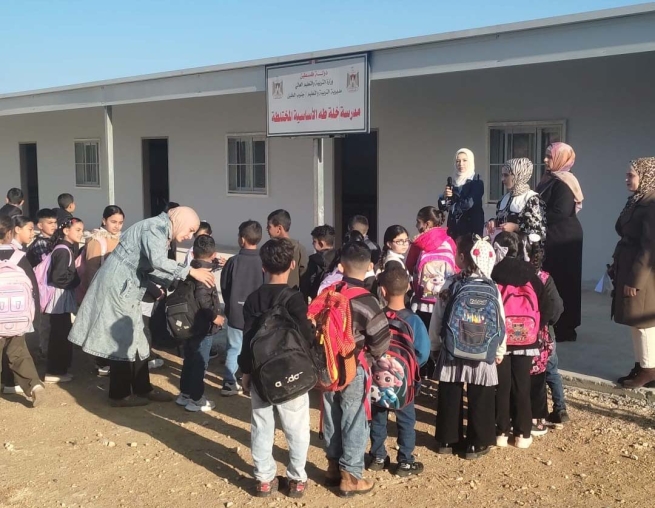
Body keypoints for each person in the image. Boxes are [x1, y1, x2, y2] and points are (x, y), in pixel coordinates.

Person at [68, 206, 215, 407]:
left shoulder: (160, 230)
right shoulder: (154, 228)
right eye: (190, 230)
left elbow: (150, 267)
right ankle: (119, 395)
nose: (189, 236)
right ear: (179, 220)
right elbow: (158, 261)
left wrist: (175, 282)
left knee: (139, 338)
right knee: (122, 338)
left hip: (129, 287)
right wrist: (189, 272)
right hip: (119, 288)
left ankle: (142, 388)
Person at [239, 238, 314, 499]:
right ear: (292, 264)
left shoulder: (253, 299)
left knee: (261, 425)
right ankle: (297, 479)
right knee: (296, 426)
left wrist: (245, 372)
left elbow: (248, 340)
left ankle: (264, 479)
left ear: (263, 266)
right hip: (292, 371)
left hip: (260, 372)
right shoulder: (295, 299)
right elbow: (307, 336)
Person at [320, 241, 390, 497]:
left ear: (341, 266)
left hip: (327, 364)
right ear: (370, 266)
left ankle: (332, 467)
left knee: (331, 414)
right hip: (353, 364)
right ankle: (350, 476)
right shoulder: (367, 300)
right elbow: (381, 340)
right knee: (353, 418)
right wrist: (371, 357)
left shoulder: (329, 292)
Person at [430, 235, 505, 460]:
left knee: (450, 392)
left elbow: (438, 317)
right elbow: (501, 321)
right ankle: (476, 443)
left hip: (453, 347)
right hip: (483, 349)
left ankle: (447, 440)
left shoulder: (450, 283)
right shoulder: (491, 286)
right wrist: (499, 350)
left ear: (462, 257)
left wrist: (435, 345)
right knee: (480, 393)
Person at [491, 232, 554, 449]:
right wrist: (534, 328)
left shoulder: (494, 274)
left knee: (502, 386)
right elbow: (547, 308)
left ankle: (501, 432)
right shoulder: (531, 275)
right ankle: (523, 433)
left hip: (502, 339)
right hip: (527, 340)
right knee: (522, 386)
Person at [368, 265, 429, 475]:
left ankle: (377, 457)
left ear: (382, 290)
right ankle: (405, 461)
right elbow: (423, 353)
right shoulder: (414, 320)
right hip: (405, 382)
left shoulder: (377, 318)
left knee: (378, 418)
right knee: (406, 421)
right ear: (409, 287)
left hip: (377, 381)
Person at [610, 157, 655, 388]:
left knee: (643, 321)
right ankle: (641, 365)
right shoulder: (637, 200)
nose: (627, 179)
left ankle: (649, 369)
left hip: (643, 274)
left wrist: (635, 280)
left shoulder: (651, 204)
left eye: (631, 175)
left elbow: (649, 247)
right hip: (628, 265)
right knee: (634, 320)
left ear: (646, 176)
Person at [537, 143, 584, 342]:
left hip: (564, 239)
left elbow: (560, 212)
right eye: (546, 156)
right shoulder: (549, 179)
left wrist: (533, 217)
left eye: (550, 156)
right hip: (552, 236)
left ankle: (566, 327)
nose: (545, 160)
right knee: (550, 280)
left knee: (565, 282)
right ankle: (552, 322)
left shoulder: (565, 183)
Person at [406, 207, 457, 379]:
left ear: (427, 224)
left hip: (422, 301)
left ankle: (424, 370)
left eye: (418, 222)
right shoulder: (449, 240)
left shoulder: (419, 243)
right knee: (442, 334)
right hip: (444, 300)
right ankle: (442, 371)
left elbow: (409, 265)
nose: (416, 226)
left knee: (423, 337)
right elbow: (456, 268)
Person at [176, 235, 225, 412]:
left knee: (189, 360)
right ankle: (196, 399)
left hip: (189, 323)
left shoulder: (191, 269)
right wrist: (215, 317)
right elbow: (203, 300)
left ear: (193, 253)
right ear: (213, 254)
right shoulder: (205, 277)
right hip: (202, 327)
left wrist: (217, 263)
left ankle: (185, 394)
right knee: (200, 363)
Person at [0, 215, 45, 407]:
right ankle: (34, 386)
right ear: (11, 232)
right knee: (19, 353)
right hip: (17, 316)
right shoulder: (19, 257)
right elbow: (33, 289)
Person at [524, 240, 564, 435]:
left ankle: (528, 414)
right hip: (546, 334)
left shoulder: (522, 278)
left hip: (526, 334)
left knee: (529, 375)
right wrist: (548, 323)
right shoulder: (546, 278)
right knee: (552, 372)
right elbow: (557, 306)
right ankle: (560, 409)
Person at [220, 220, 264, 396]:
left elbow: (224, 286)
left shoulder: (233, 262)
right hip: (257, 315)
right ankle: (253, 383)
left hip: (236, 314)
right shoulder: (263, 262)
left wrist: (230, 304)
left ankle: (229, 382)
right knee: (255, 349)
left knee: (234, 348)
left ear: (242, 239)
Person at [44, 218, 84, 384]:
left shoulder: (64, 248)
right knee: (59, 334)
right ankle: (55, 370)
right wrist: (75, 281)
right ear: (66, 231)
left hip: (61, 298)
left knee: (60, 332)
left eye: (82, 230)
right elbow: (58, 277)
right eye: (78, 230)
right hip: (59, 299)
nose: (81, 234)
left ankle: (59, 369)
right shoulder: (63, 250)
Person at [487, 158, 546, 249]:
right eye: (502, 175)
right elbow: (501, 220)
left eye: (506, 175)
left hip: (522, 251)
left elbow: (539, 232)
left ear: (518, 175)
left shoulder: (532, 199)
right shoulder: (504, 198)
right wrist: (493, 222)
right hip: (502, 250)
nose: (502, 179)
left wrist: (516, 227)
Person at [439, 148, 485, 239]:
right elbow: (444, 207)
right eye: (458, 161)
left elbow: (469, 203)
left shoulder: (476, 181)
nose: (461, 164)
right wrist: (444, 197)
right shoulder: (453, 181)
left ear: (470, 161)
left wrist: (454, 208)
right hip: (454, 227)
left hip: (470, 228)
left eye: (464, 160)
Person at [266, 209, 307, 290]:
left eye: (269, 226)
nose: (267, 229)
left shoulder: (269, 249)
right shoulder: (299, 249)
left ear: (279, 228)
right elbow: (305, 279)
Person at [300, 224, 337, 301]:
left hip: (318, 300)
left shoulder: (313, 260)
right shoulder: (340, 257)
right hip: (337, 301)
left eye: (314, 241)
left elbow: (306, 285)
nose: (312, 244)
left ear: (321, 243)